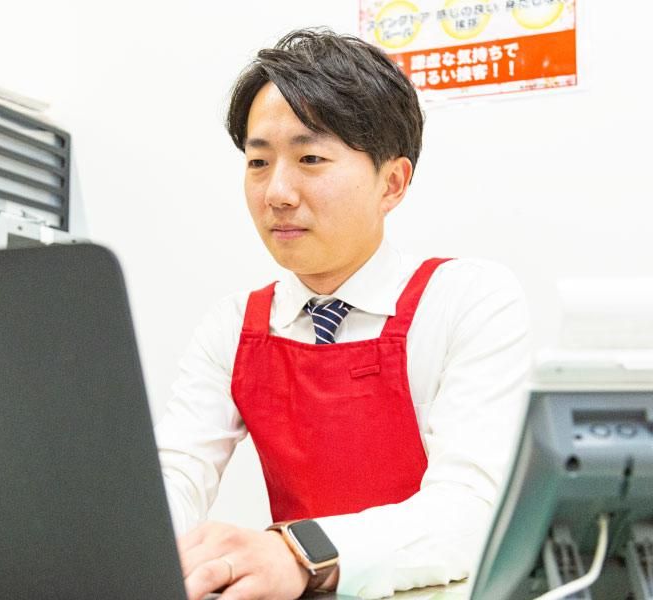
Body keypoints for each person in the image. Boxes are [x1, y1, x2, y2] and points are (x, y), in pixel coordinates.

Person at [155, 27, 530, 600]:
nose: (277, 192)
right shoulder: (232, 327)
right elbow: (176, 470)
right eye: (258, 162)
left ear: (392, 183)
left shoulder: (468, 300)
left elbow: (473, 511)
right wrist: (139, 540)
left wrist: (299, 553)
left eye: (310, 158)